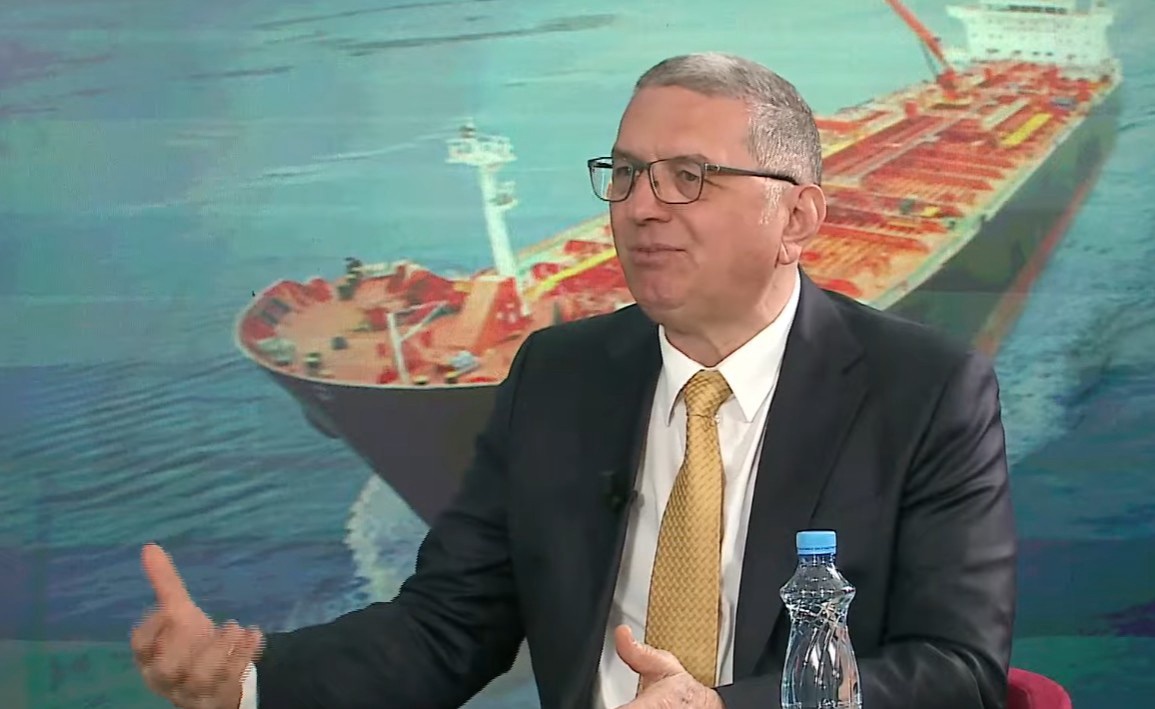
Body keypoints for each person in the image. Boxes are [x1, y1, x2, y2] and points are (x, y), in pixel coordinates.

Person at [131, 52, 1017, 709]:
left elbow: (956, 669)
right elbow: (447, 625)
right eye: (625, 174)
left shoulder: (927, 391)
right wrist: (248, 678)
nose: (639, 206)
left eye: (688, 178)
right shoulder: (555, 375)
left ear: (796, 217)